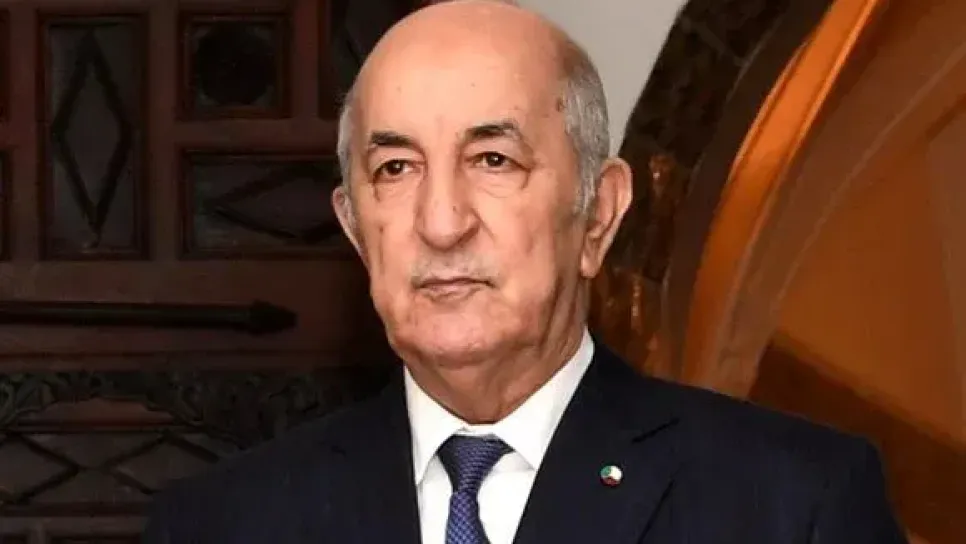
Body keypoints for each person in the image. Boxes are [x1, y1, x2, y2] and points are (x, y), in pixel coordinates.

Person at [142, 1, 908, 542]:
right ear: (355, 229)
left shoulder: (792, 506)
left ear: (598, 214)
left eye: (493, 160)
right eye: (396, 168)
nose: (442, 222)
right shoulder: (221, 525)